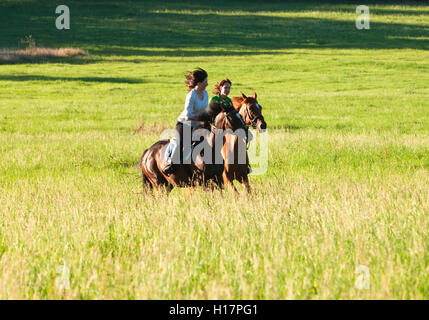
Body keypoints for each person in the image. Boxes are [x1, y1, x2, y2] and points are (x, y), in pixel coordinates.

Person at [162, 68, 209, 175]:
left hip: (198, 124)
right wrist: (200, 120)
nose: (207, 83)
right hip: (184, 123)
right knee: (182, 143)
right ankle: (171, 166)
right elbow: (188, 116)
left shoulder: (205, 93)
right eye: (205, 81)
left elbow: (205, 110)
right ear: (200, 83)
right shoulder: (191, 95)